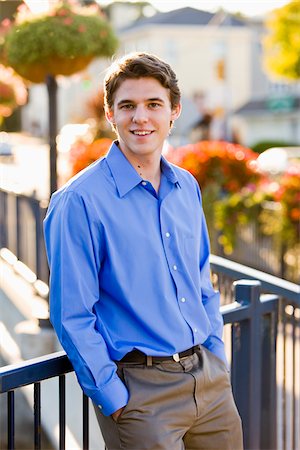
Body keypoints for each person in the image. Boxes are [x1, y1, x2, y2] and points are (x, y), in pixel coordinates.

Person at [44, 52, 243, 450]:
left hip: (209, 380)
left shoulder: (186, 186)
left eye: (154, 104)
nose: (141, 117)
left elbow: (200, 280)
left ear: (174, 112)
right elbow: (72, 314)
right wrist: (114, 400)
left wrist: (216, 356)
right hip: (140, 396)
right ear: (110, 113)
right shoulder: (79, 202)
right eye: (128, 105)